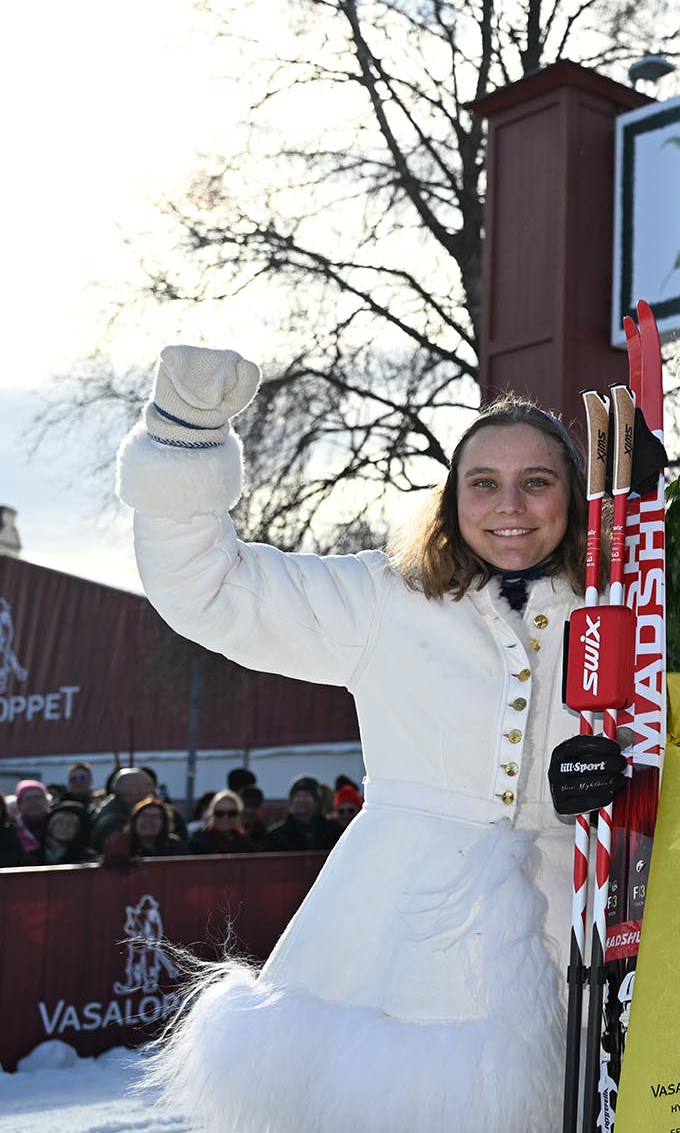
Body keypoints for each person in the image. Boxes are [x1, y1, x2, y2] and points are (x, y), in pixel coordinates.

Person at [117, 344, 592, 1133]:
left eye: (537, 482)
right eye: (483, 483)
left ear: (572, 495)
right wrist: (185, 438)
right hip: (396, 943)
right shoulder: (385, 597)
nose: (509, 504)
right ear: (453, 499)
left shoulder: (623, 611)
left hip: (581, 931)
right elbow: (211, 588)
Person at [264, 775, 342, 853]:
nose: (301, 800)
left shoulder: (332, 831)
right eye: (297, 796)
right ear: (291, 801)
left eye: (306, 795)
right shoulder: (276, 835)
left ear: (317, 801)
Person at [89, 766, 154, 852]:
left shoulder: (118, 810)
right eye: (147, 785)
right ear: (133, 789)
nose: (152, 789)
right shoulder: (115, 821)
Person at [27, 799, 98, 866]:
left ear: (77, 830)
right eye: (60, 822)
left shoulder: (87, 858)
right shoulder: (32, 856)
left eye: (70, 823)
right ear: (50, 827)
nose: (65, 827)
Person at [187, 790, 254, 855]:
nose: (225, 818)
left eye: (232, 813)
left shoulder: (246, 843)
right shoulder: (197, 842)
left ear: (239, 815)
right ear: (211, 815)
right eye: (219, 813)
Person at [14, 779, 50, 852]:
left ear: (46, 801)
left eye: (37, 797)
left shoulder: (60, 824)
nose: (33, 802)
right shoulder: (12, 829)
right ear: (19, 805)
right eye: (28, 799)